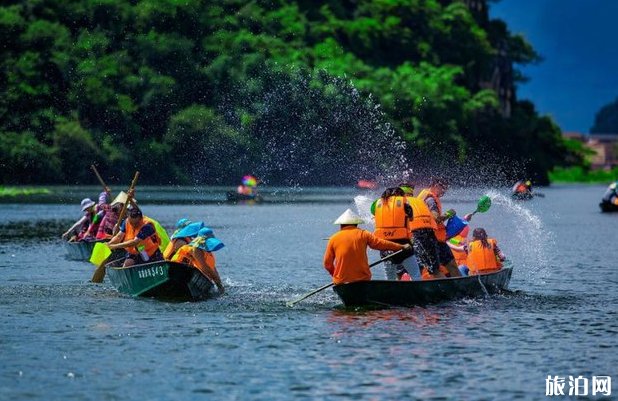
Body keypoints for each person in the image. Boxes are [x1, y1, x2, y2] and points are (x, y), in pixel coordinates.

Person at [323, 208, 411, 285]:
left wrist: (335, 274)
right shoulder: (364, 234)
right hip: (362, 279)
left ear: (341, 225)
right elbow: (382, 244)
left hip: (341, 281)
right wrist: (400, 246)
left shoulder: (333, 238)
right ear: (356, 224)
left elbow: (327, 264)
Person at [371, 186, 422, 280]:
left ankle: (390, 293)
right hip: (403, 245)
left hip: (385, 247)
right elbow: (411, 218)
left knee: (390, 278)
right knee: (415, 275)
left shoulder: (377, 204)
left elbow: (373, 213)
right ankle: (418, 293)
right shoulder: (405, 205)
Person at [417, 177, 462, 277]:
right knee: (450, 266)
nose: (443, 192)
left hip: (423, 237)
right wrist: (448, 214)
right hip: (434, 239)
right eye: (443, 188)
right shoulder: (431, 199)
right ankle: (461, 289)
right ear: (436, 185)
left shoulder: (422, 196)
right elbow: (435, 219)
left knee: (440, 267)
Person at [171, 227, 225, 294]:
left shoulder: (208, 254)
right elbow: (203, 267)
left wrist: (219, 284)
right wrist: (216, 280)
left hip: (189, 275)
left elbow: (213, 270)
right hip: (177, 270)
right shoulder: (195, 249)